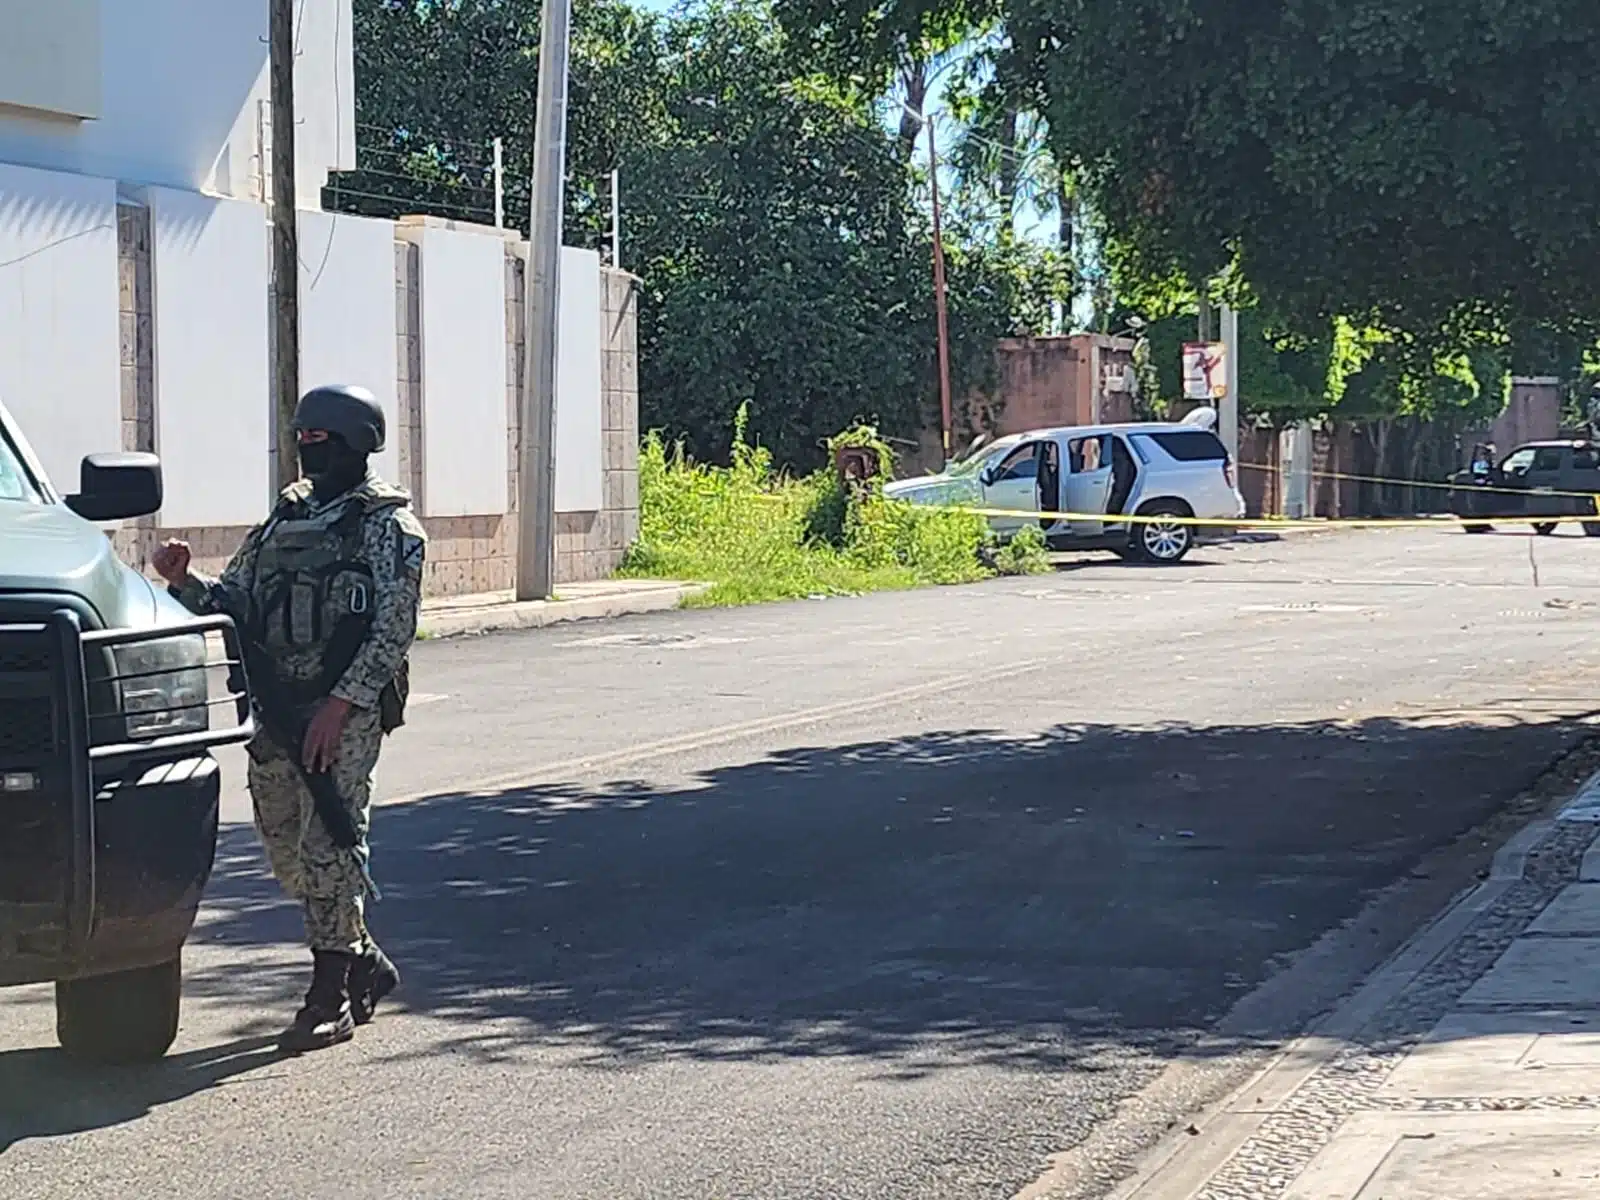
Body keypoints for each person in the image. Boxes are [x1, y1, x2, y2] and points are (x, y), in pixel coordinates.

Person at [151, 385, 427, 1054]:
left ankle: (328, 996)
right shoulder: (283, 521)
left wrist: (340, 706)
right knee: (284, 850)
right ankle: (361, 958)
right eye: (302, 440)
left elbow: (392, 630)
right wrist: (187, 582)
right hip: (278, 707)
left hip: (343, 710)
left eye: (320, 441)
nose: (309, 453)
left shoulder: (390, 529)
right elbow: (238, 598)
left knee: (328, 844)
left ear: (356, 442)